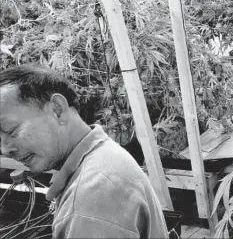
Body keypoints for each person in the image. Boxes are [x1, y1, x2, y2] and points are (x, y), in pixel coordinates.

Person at [0, 64, 169, 238]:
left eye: (11, 130)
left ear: (57, 110)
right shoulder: (103, 155)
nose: (4, 149)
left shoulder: (91, 200)